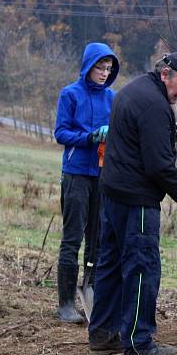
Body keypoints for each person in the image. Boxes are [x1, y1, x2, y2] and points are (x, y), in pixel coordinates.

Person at [87, 52, 177, 355]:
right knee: (141, 268)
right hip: (136, 200)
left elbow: (139, 141)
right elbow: (158, 166)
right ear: (165, 74)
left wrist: (166, 133)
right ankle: (139, 343)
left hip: (113, 193)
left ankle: (102, 332)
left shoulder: (136, 91)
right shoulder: (153, 105)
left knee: (110, 264)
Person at [53, 42, 119, 323]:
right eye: (100, 68)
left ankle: (90, 286)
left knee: (98, 238)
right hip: (76, 174)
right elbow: (61, 133)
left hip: (102, 176)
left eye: (108, 69)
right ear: (88, 67)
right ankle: (66, 303)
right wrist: (90, 137)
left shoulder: (112, 99)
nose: (104, 73)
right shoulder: (70, 95)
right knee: (73, 238)